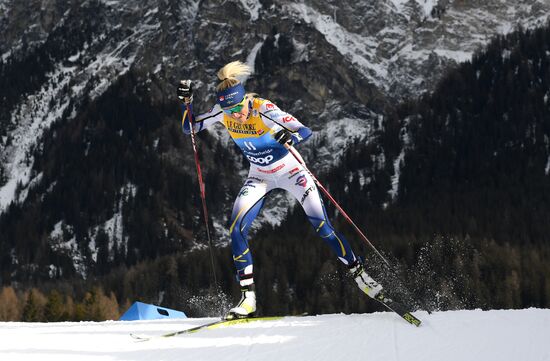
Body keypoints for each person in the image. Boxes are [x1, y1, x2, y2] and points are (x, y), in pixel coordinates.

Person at [177, 61, 383, 319]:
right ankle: (248, 298)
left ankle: (360, 274)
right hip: (260, 175)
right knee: (236, 229)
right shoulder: (223, 110)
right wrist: (188, 104)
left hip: (292, 171)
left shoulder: (262, 108)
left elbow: (304, 130)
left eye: (239, 109)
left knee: (322, 227)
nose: (236, 116)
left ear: (245, 100)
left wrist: (290, 137)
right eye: (230, 112)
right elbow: (190, 128)